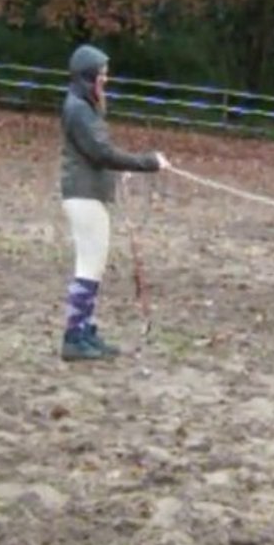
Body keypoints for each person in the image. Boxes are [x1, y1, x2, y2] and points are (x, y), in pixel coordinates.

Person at [58, 43, 170, 361]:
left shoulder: (82, 107)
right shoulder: (78, 109)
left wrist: (119, 172)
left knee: (94, 264)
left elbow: (98, 154)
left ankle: (84, 330)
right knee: (89, 264)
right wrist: (148, 162)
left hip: (89, 193)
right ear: (88, 77)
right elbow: (102, 153)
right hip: (84, 196)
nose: (105, 80)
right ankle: (74, 336)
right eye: (102, 75)